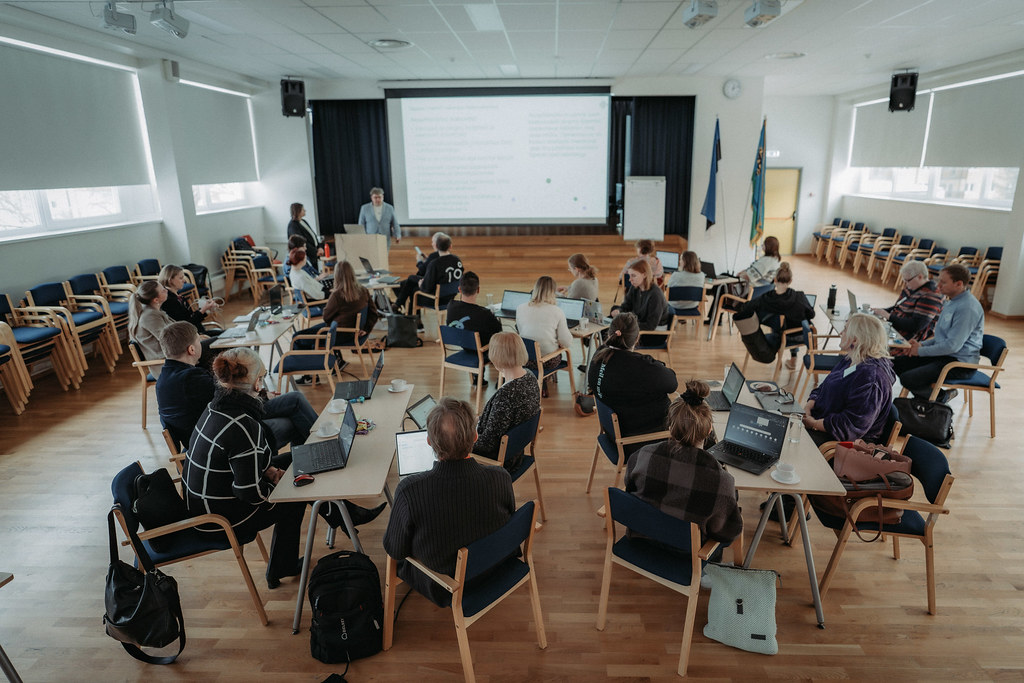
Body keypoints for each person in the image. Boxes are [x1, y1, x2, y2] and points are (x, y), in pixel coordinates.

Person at [183, 348, 385, 589]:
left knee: (298, 461)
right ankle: (284, 565)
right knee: (297, 492)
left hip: (203, 501)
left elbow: (237, 461)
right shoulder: (244, 424)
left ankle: (345, 514)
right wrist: (280, 487)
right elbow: (248, 493)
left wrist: (269, 471)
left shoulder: (217, 405)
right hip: (220, 518)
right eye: (263, 377)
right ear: (257, 383)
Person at [383, 397, 515, 607]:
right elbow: (509, 518)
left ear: (429, 442)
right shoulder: (501, 477)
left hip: (443, 586)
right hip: (496, 569)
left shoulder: (410, 490)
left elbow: (395, 550)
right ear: (475, 437)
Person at [155, 321, 321, 452]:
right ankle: (322, 449)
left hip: (207, 433)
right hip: (224, 439)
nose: (201, 344)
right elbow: (235, 400)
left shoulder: (164, 378)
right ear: (191, 349)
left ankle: (309, 460)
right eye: (199, 341)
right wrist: (262, 395)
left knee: (294, 403)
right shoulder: (191, 379)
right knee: (294, 413)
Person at [625, 380, 742, 547]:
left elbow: (629, 486)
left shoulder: (643, 455)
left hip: (641, 541)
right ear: (709, 430)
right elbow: (726, 533)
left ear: (671, 427)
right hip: (686, 557)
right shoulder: (722, 482)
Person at [588, 313, 678, 456]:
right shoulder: (640, 367)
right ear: (637, 338)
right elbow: (672, 383)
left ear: (610, 334)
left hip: (613, 434)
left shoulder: (598, 356)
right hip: (638, 440)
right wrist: (651, 364)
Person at [892, 263, 985, 403]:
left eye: (943, 282)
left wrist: (920, 352)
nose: (938, 285)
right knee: (897, 363)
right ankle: (927, 401)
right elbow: (941, 337)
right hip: (945, 355)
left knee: (908, 378)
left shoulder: (967, 308)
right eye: (938, 280)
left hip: (959, 363)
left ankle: (939, 399)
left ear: (958, 284)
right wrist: (920, 345)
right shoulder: (951, 302)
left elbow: (952, 346)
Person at [801, 313, 896, 446]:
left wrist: (813, 423)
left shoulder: (871, 377)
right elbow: (824, 386)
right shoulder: (852, 360)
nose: (841, 332)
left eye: (845, 330)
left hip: (840, 443)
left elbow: (850, 427)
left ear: (855, 340)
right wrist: (808, 406)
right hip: (820, 423)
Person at [472, 332, 540, 470]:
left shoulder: (506, 396)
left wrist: (461, 441)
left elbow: (486, 445)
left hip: (500, 461)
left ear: (496, 359)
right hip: (515, 452)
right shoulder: (530, 377)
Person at [734, 262, 814, 368]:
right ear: (790, 281)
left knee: (782, 324)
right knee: (794, 321)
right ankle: (793, 358)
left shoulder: (766, 299)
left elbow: (746, 307)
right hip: (799, 336)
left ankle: (781, 361)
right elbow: (811, 314)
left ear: (775, 280)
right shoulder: (799, 296)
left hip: (778, 337)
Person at [516, 275, 572, 398]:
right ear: (553, 292)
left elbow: (522, 333)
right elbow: (567, 342)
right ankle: (543, 380)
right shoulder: (557, 311)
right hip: (547, 362)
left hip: (524, 358)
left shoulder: (520, 308)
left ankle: (540, 381)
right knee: (557, 350)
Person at [445, 271, 502, 387]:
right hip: (481, 350)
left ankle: (478, 377)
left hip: (462, 344)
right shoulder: (484, 313)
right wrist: (491, 315)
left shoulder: (451, 306)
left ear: (459, 289)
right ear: (478, 290)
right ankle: (502, 379)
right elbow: (498, 329)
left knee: (474, 333)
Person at [872, 260, 944, 345]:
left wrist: (888, 316)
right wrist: (880, 311)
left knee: (871, 344)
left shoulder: (931, 296)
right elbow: (898, 306)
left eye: (907, 280)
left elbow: (916, 326)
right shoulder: (912, 287)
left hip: (909, 336)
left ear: (920, 277)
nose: (906, 284)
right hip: (895, 326)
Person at [613, 258, 669, 344]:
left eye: (633, 275)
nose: (630, 279)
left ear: (644, 275)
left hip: (654, 335)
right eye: (629, 275)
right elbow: (626, 306)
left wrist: (626, 324)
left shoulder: (655, 295)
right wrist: (619, 311)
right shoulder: (635, 288)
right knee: (608, 329)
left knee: (613, 335)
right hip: (639, 327)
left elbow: (650, 326)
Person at [128, 280, 175, 377]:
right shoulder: (149, 316)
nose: (166, 290)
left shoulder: (153, 311)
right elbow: (169, 340)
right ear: (156, 300)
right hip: (166, 365)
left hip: (172, 357)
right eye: (162, 290)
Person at [158, 264, 220, 336]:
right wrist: (203, 310)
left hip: (196, 333)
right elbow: (186, 325)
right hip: (192, 338)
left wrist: (205, 308)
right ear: (170, 280)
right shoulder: (169, 301)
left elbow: (190, 317)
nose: (184, 280)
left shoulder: (179, 297)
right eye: (181, 278)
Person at [286, 202, 325, 271]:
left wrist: (319, 247)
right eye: (303, 209)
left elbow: (313, 236)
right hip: (307, 254)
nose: (305, 211)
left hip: (314, 253)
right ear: (298, 211)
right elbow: (301, 242)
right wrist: (315, 251)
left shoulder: (303, 221)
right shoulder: (293, 225)